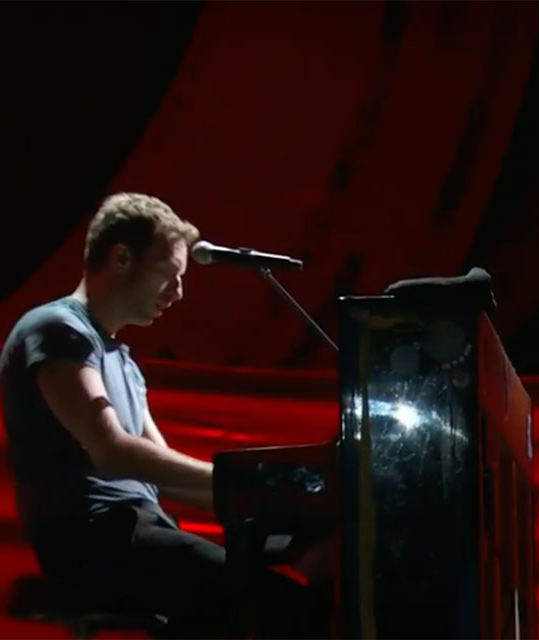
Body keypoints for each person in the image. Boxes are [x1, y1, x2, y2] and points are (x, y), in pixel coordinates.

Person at [0, 193, 324, 638]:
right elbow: (112, 450)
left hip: (133, 531)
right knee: (283, 606)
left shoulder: (125, 364)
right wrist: (245, 485)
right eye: (169, 274)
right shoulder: (57, 329)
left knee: (234, 608)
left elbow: (160, 468)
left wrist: (276, 508)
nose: (178, 291)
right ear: (121, 258)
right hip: (94, 537)